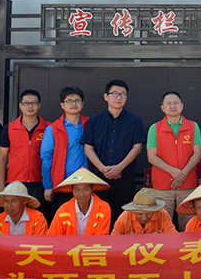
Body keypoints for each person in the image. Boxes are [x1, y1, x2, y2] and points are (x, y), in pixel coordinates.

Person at [81, 79, 146, 225]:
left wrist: (119, 168)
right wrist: (103, 169)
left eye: (123, 94)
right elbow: (88, 148)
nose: (119, 97)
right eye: (115, 93)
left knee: (123, 219)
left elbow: (137, 147)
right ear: (106, 96)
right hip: (99, 178)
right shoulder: (94, 121)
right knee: (99, 219)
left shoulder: (134, 120)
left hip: (125, 178)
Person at [147, 91, 201, 230]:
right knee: (161, 226)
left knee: (189, 226)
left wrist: (182, 174)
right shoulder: (155, 128)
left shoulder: (193, 126)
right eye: (169, 103)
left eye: (176, 103)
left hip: (187, 185)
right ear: (163, 108)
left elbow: (197, 153)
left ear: (182, 106)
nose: (173, 106)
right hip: (162, 187)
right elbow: (151, 156)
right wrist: (173, 172)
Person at [0, 89, 49, 212]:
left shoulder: (48, 128)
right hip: (14, 183)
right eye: (26, 103)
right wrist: (2, 186)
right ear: (20, 106)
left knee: (38, 218)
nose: (30, 106)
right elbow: (2, 158)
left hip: (39, 183)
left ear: (39, 105)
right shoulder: (9, 128)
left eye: (34, 103)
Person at [41, 87, 89, 219]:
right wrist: (48, 186)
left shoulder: (90, 124)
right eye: (69, 101)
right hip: (63, 183)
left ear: (82, 104)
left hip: (87, 182)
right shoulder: (53, 129)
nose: (74, 104)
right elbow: (46, 159)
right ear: (62, 105)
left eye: (77, 100)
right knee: (62, 220)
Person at [47, 168, 112, 235]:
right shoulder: (63, 210)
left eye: (85, 189)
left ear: (92, 188)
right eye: (77, 190)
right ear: (72, 190)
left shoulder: (104, 208)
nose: (81, 194)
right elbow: (53, 237)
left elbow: (101, 237)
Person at [111, 188, 177, 235]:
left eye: (149, 213)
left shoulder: (162, 214)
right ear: (133, 211)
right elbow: (114, 241)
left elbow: (172, 238)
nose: (144, 218)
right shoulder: (124, 217)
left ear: (155, 211)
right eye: (140, 213)